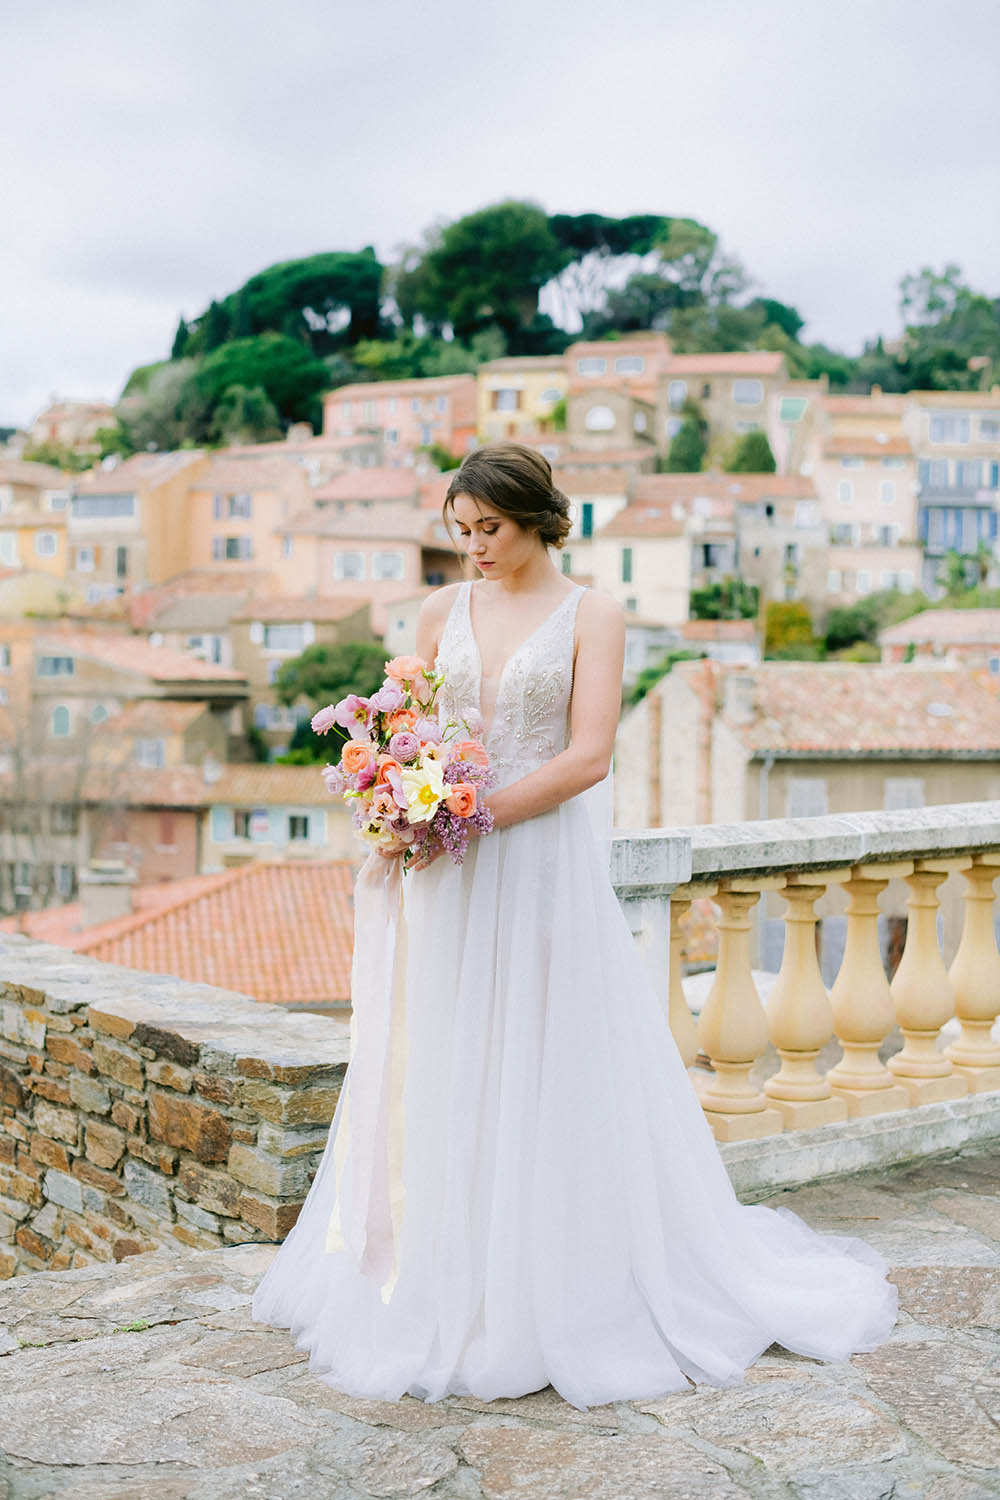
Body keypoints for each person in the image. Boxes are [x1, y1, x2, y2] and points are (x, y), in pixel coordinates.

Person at [252, 441, 897, 1411]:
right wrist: (397, 801)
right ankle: (438, 1269)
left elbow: (589, 755)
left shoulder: (593, 613)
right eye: (460, 531)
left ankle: (552, 1279)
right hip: (445, 875)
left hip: (533, 863)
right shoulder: (436, 612)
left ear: (538, 519)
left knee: (548, 1054)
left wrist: (464, 815)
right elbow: (402, 731)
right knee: (447, 1054)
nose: (473, 547)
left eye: (490, 529)